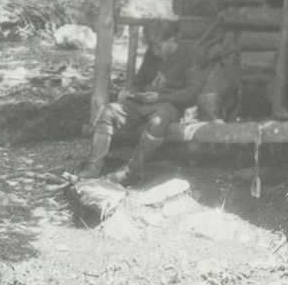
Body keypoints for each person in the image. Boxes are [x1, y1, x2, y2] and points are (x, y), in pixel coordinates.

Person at [80, 20, 204, 184]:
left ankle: (130, 172)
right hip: (143, 103)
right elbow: (139, 81)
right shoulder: (152, 54)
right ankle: (92, 169)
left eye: (158, 47)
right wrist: (132, 93)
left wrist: (160, 97)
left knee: (157, 121)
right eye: (151, 47)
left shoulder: (189, 54)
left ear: (172, 40)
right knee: (109, 111)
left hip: (170, 105)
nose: (154, 51)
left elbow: (192, 92)